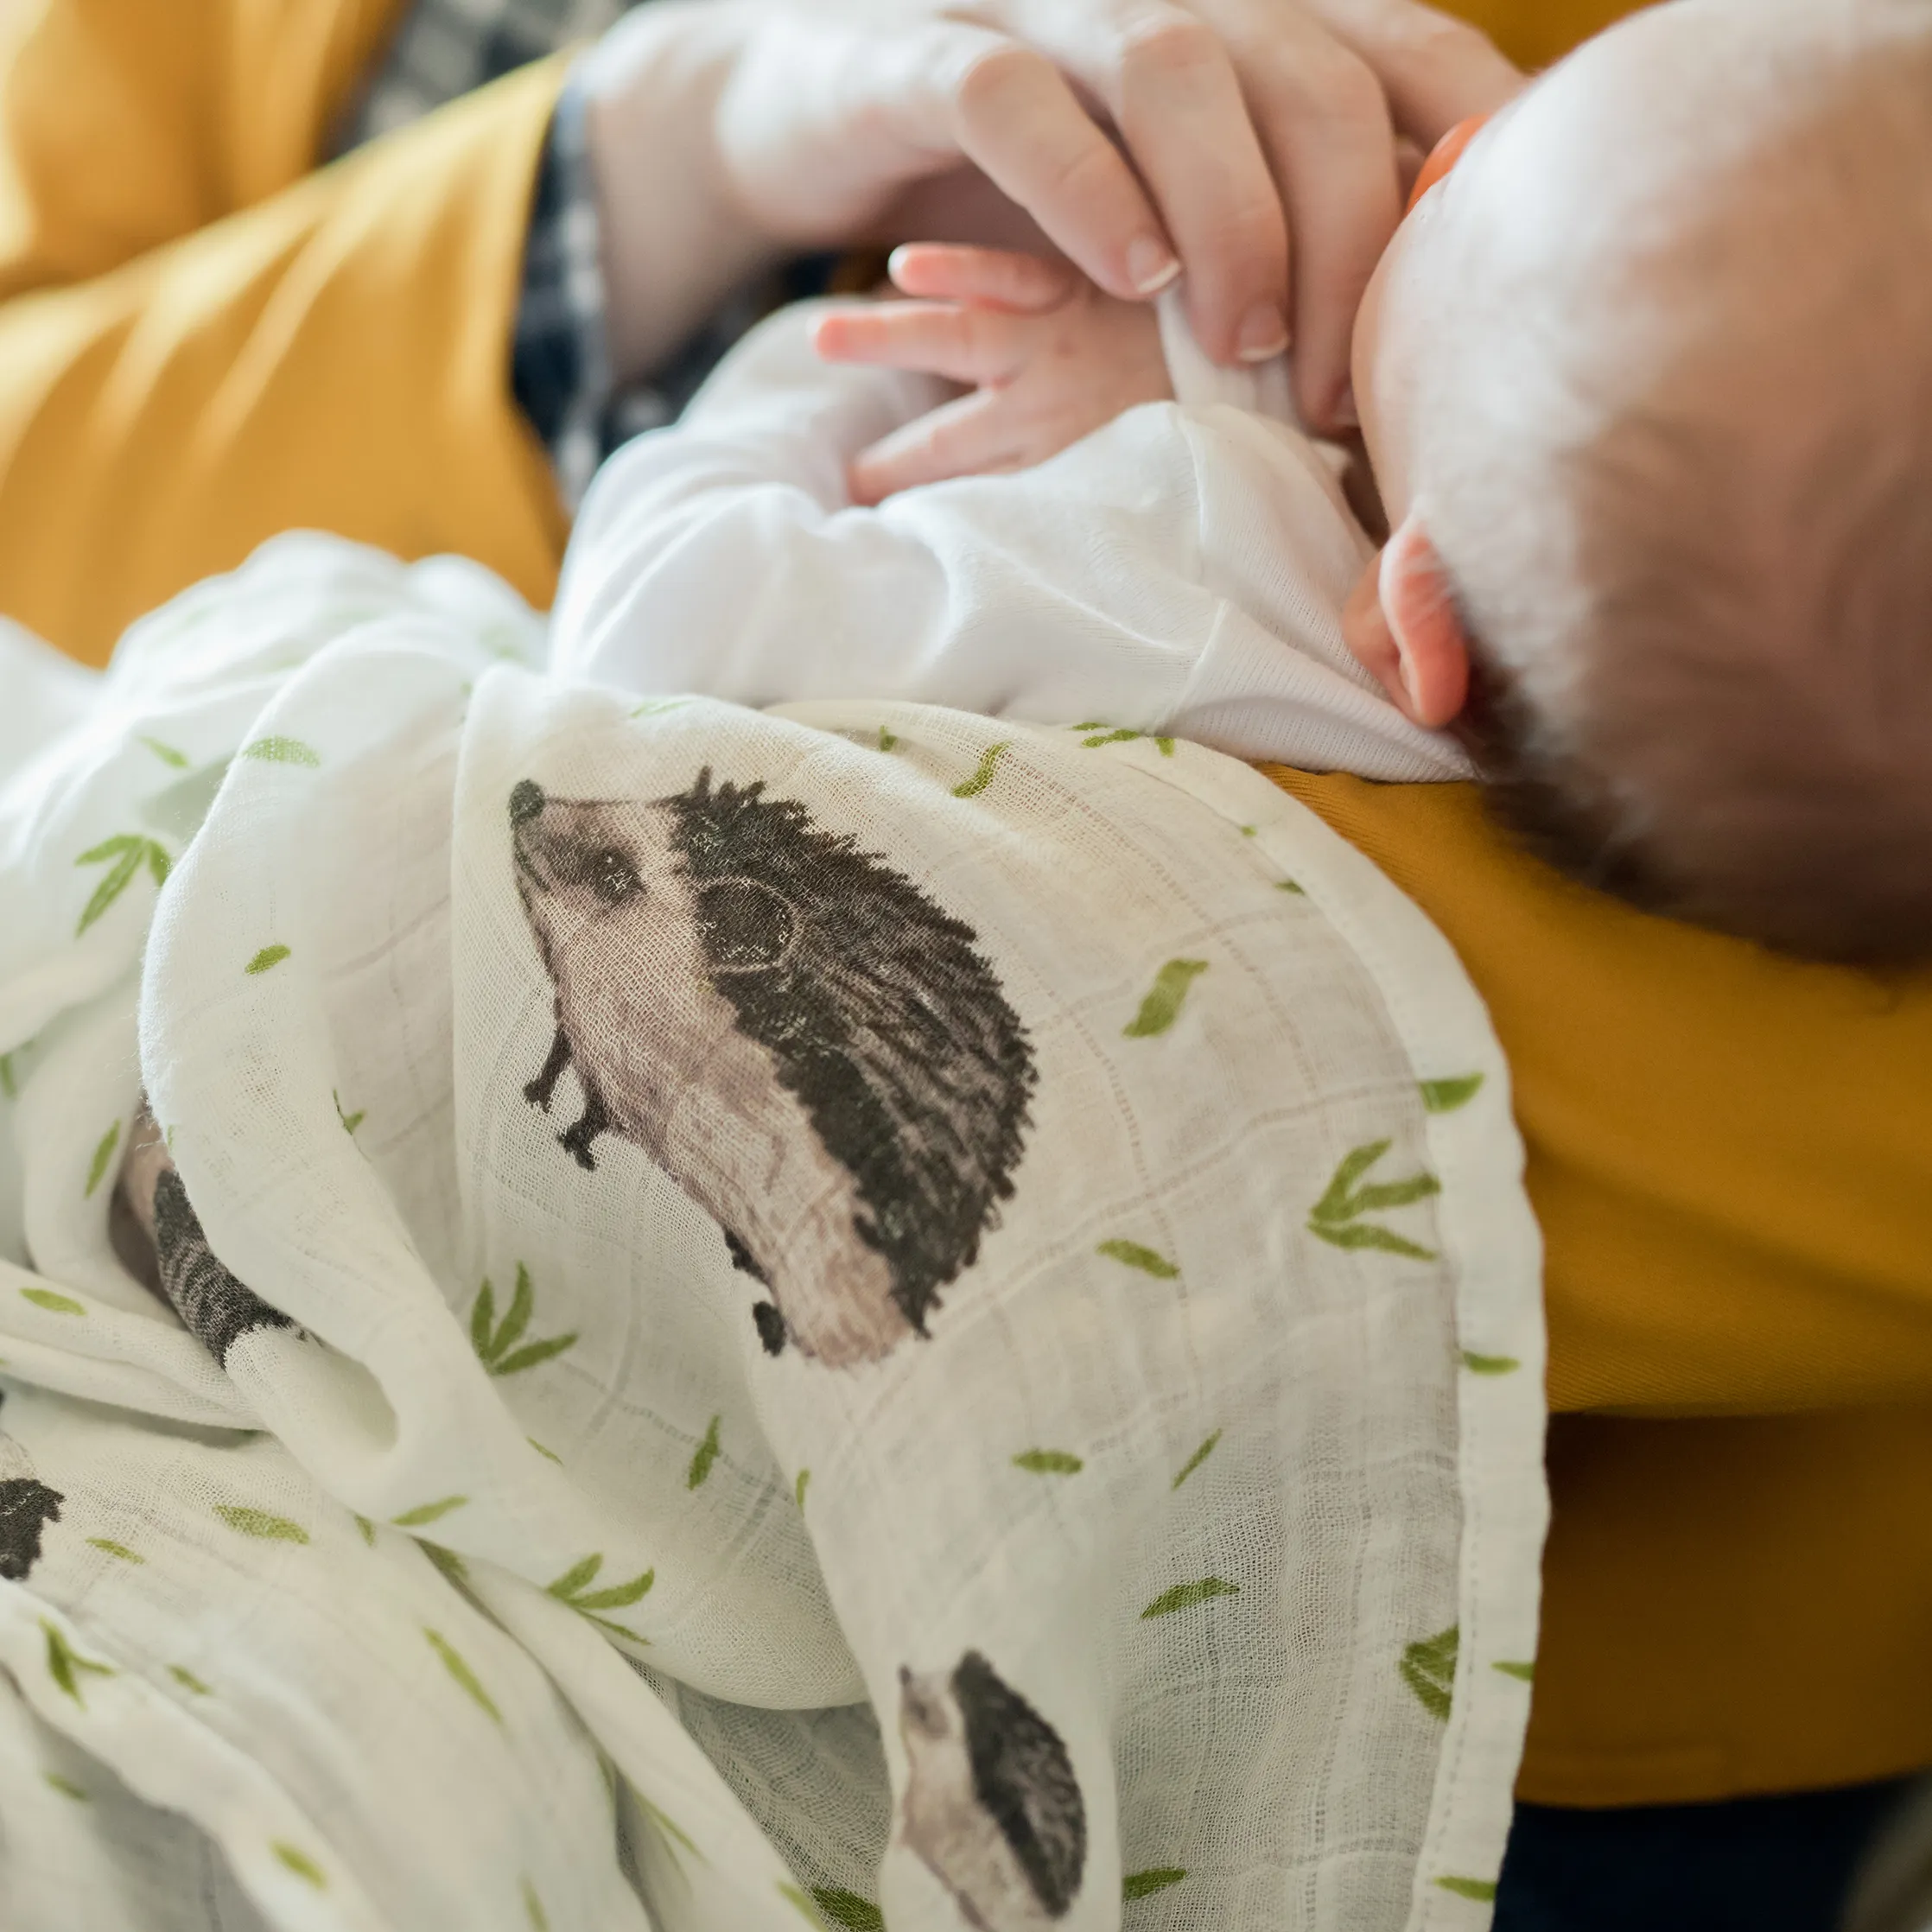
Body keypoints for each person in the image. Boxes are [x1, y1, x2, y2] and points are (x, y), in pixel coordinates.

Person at [5, 0, 1932, 1926]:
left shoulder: (1178, 519)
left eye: (1471, 172)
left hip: (1521, 1620)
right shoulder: (1539, 571)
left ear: (1404, 611)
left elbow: (664, 624)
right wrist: (673, 144)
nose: (1443, 158)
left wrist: (826, 370)